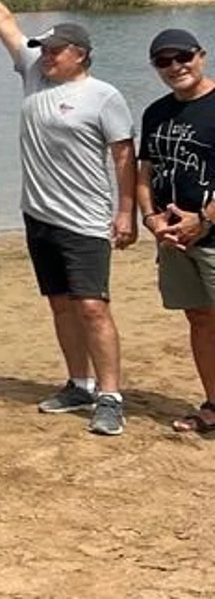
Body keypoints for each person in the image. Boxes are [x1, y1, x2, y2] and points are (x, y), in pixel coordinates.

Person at [0, 0, 136, 436]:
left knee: (93, 306)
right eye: (44, 49)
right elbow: (2, 20)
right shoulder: (33, 73)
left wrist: (125, 211)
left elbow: (122, 156)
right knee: (60, 304)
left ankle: (110, 395)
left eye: (55, 50)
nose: (46, 55)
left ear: (80, 55)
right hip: (38, 216)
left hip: (87, 219)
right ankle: (79, 384)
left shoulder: (104, 96)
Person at [134, 28, 215, 434]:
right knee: (199, 318)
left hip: (211, 234)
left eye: (182, 57)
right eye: (163, 62)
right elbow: (145, 171)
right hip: (172, 238)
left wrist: (205, 220)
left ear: (201, 55)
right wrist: (149, 219)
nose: (175, 67)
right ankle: (213, 405)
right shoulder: (156, 113)